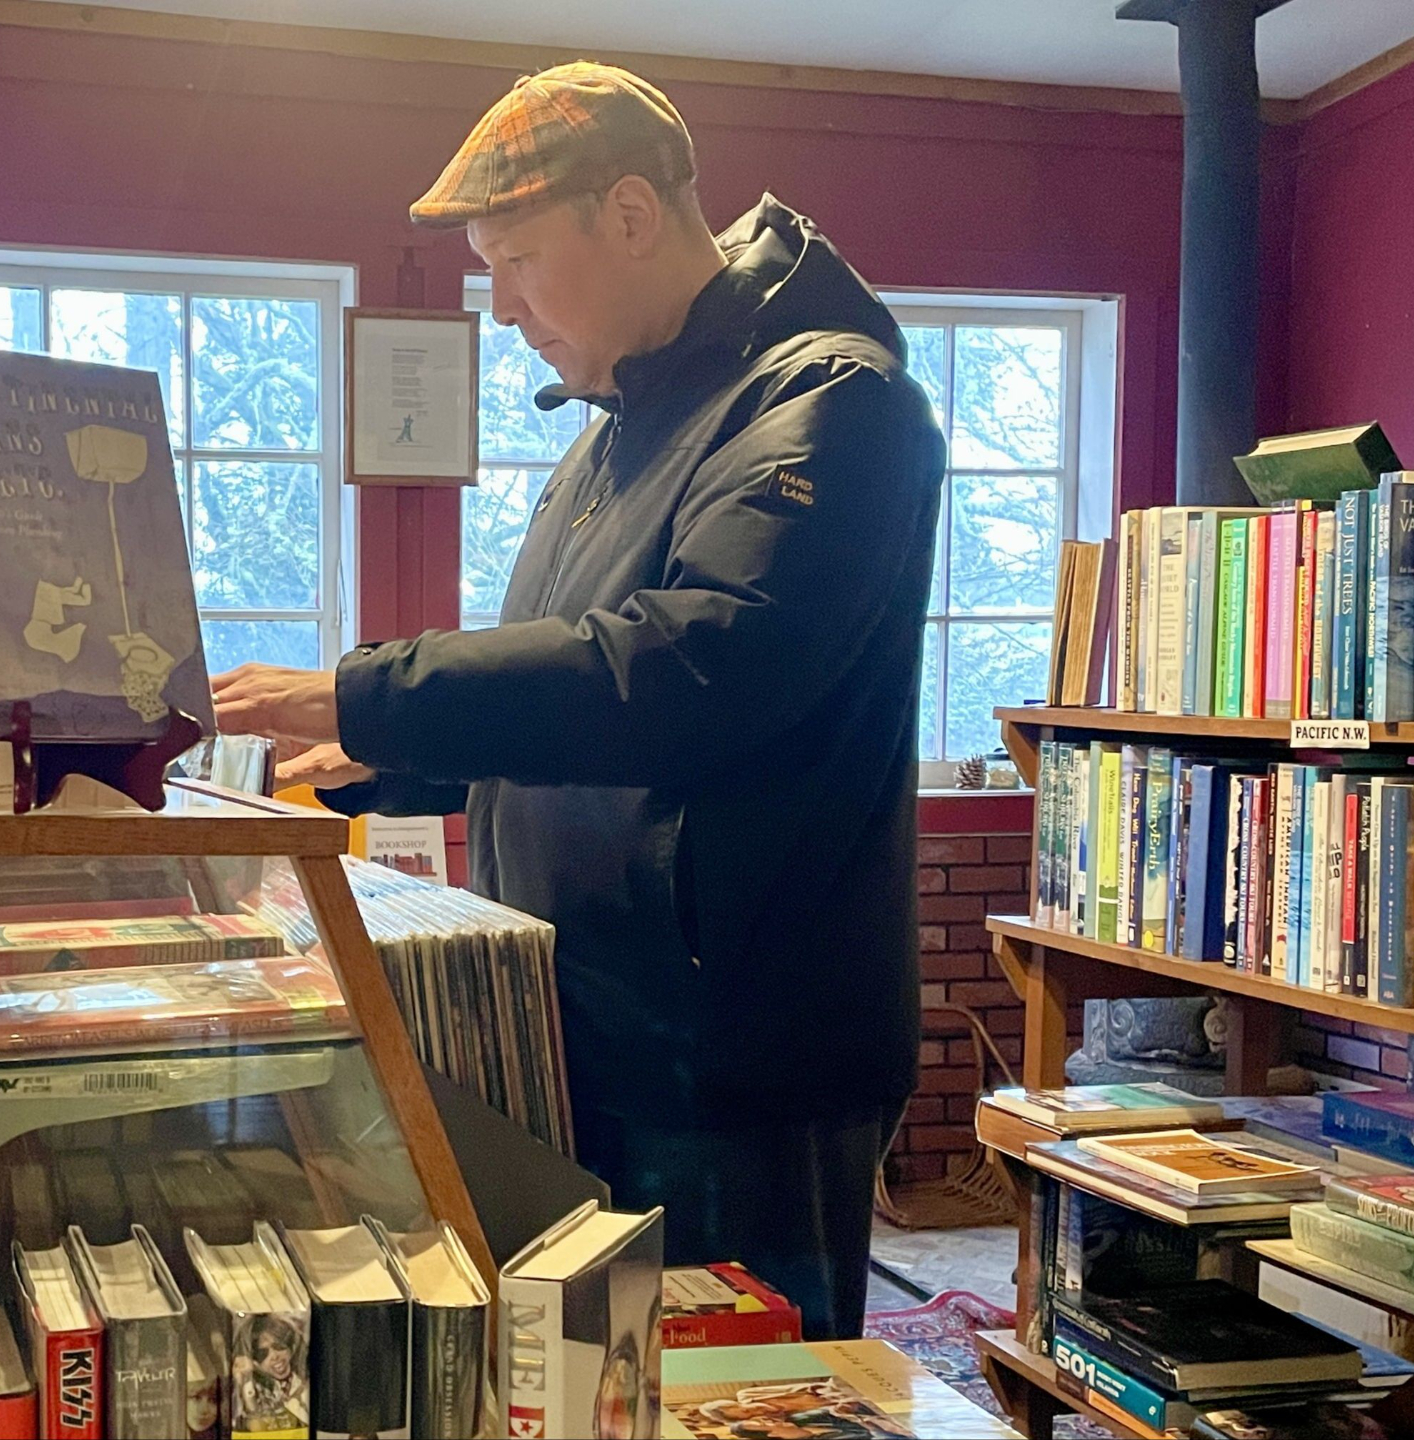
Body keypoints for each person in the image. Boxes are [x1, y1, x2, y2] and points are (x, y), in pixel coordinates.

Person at [213, 62, 945, 1339]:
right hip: (597, 1028)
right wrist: (385, 757)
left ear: (630, 214)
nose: (502, 309)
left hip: (730, 1060)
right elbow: (579, 715)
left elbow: (690, 672)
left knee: (733, 1400)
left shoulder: (829, 401)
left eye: (517, 261)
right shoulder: (618, 428)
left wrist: (366, 690)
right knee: (591, 1382)